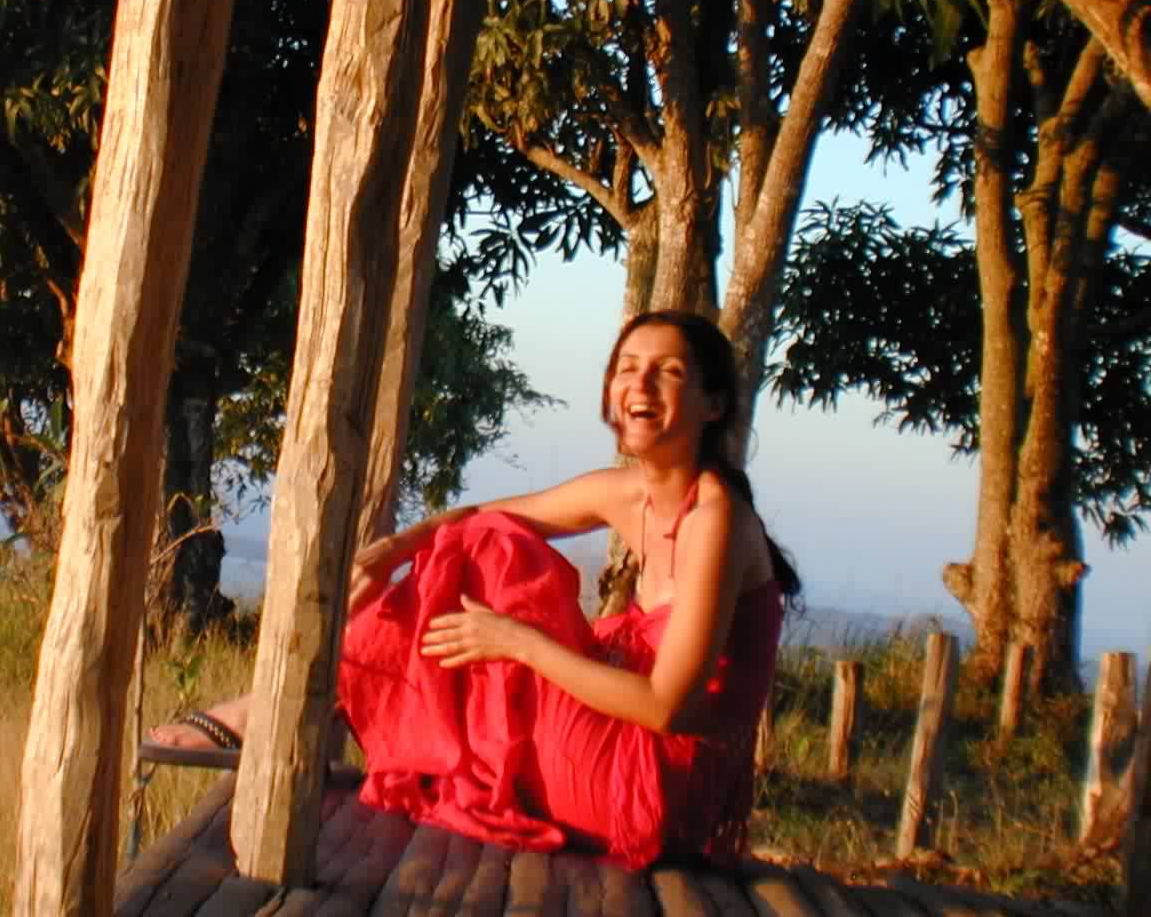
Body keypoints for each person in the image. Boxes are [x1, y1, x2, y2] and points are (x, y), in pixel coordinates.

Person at [143, 309, 800, 868]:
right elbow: (483, 515)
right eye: (627, 367)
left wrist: (516, 642)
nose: (640, 383)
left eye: (669, 371)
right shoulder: (630, 493)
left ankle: (287, 708)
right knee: (480, 537)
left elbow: (664, 708)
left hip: (652, 795)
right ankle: (304, 702)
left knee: (495, 553)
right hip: (616, 762)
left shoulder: (714, 520)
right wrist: (399, 546)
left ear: (713, 405)